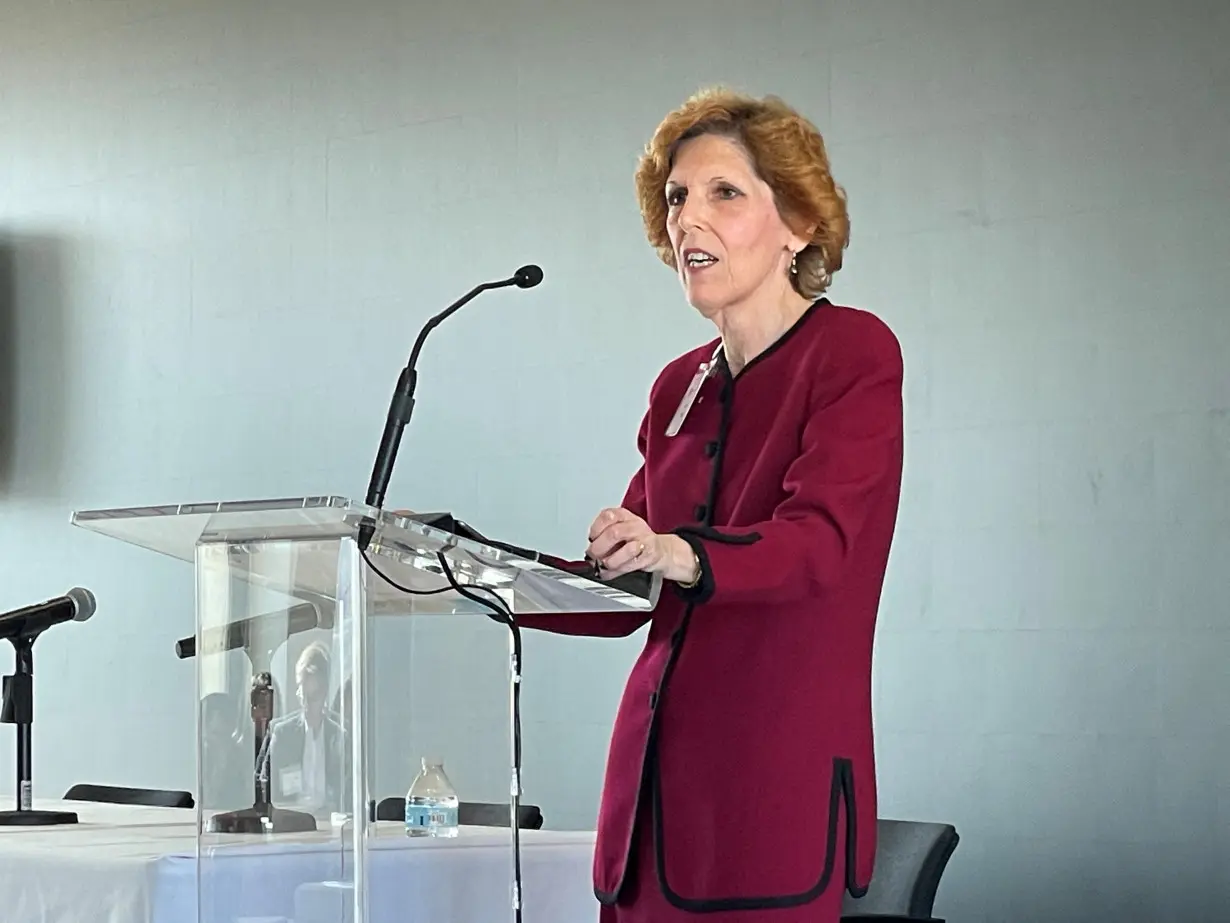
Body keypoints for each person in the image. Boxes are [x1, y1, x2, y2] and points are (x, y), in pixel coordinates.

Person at [518, 88, 905, 922]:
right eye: (677, 198)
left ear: (797, 220)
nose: (690, 217)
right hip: (650, 810)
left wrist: (675, 551)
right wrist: (462, 578)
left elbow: (817, 546)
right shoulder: (676, 387)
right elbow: (621, 590)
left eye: (724, 192)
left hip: (769, 804)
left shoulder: (852, 352)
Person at [257, 640, 350, 815]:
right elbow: (263, 782)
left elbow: (349, 792)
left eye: (313, 697)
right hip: (291, 821)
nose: (307, 704)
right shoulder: (281, 733)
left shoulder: (339, 735)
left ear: (324, 693)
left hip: (330, 823)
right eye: (303, 695)